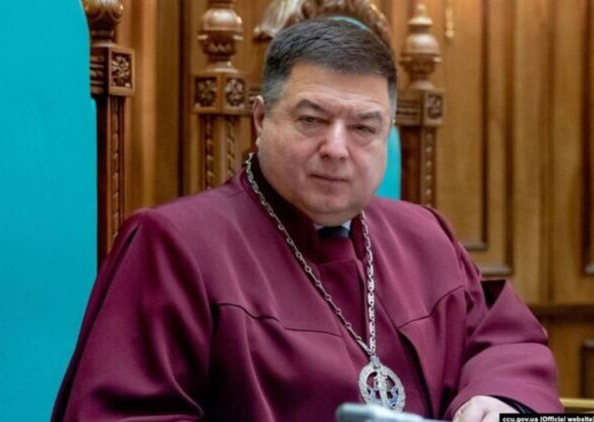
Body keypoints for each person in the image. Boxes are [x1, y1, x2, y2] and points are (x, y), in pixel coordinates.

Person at [52, 18, 562, 421]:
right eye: (312, 120)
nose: (336, 148)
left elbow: (504, 341)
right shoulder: (173, 245)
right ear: (261, 120)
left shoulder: (426, 235)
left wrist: (498, 398)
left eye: (364, 128)